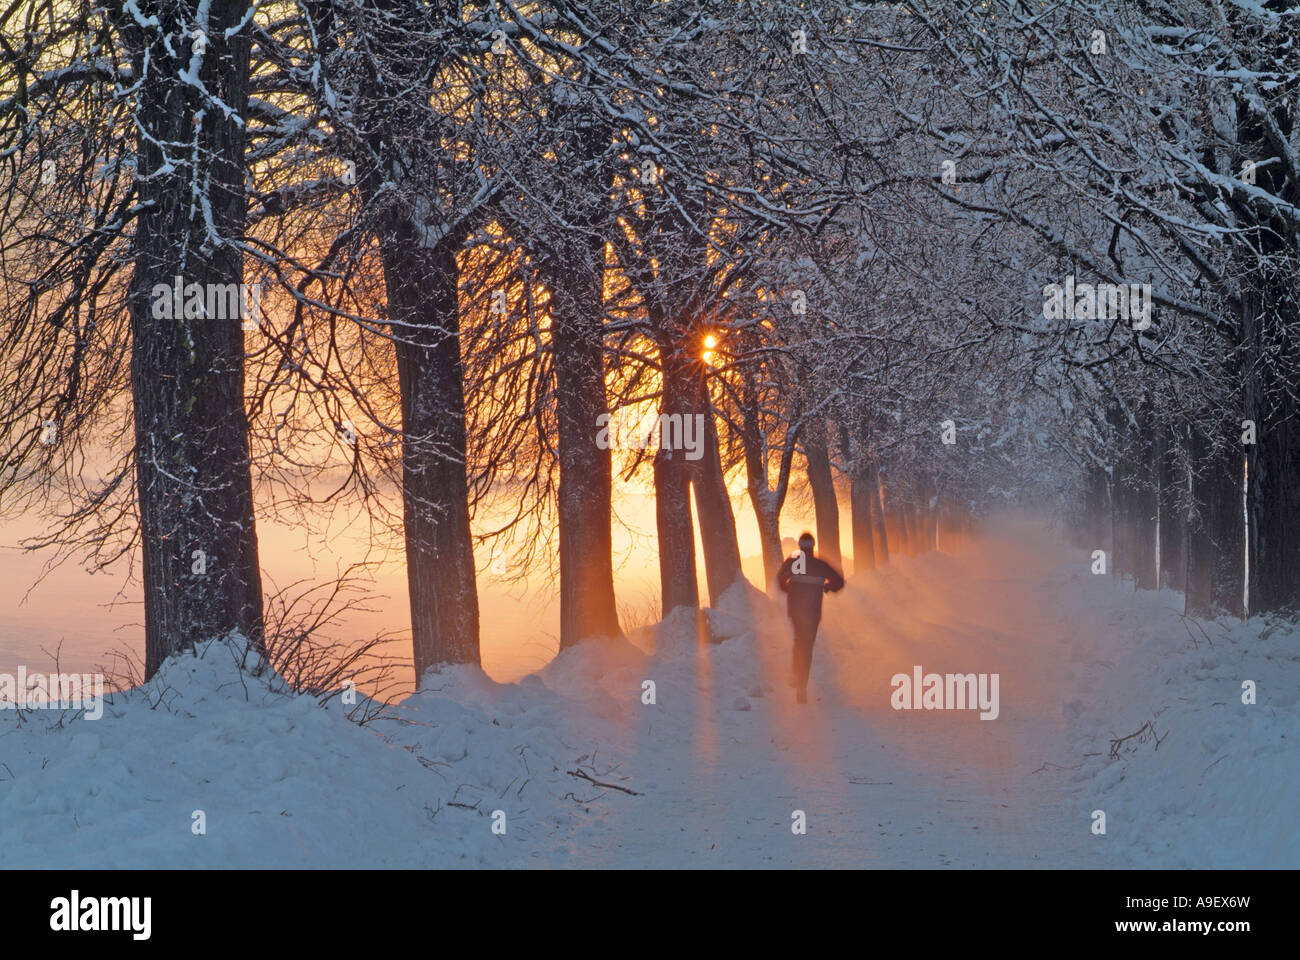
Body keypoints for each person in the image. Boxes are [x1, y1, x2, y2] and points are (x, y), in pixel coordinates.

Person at [776, 532, 845, 704]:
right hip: (813, 612)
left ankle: (796, 673)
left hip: (795, 610)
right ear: (813, 546)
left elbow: (779, 580)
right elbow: (840, 581)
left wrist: (789, 591)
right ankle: (802, 683)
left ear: (800, 546)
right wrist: (828, 588)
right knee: (807, 646)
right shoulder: (820, 565)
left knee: (799, 641)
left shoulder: (793, 562)